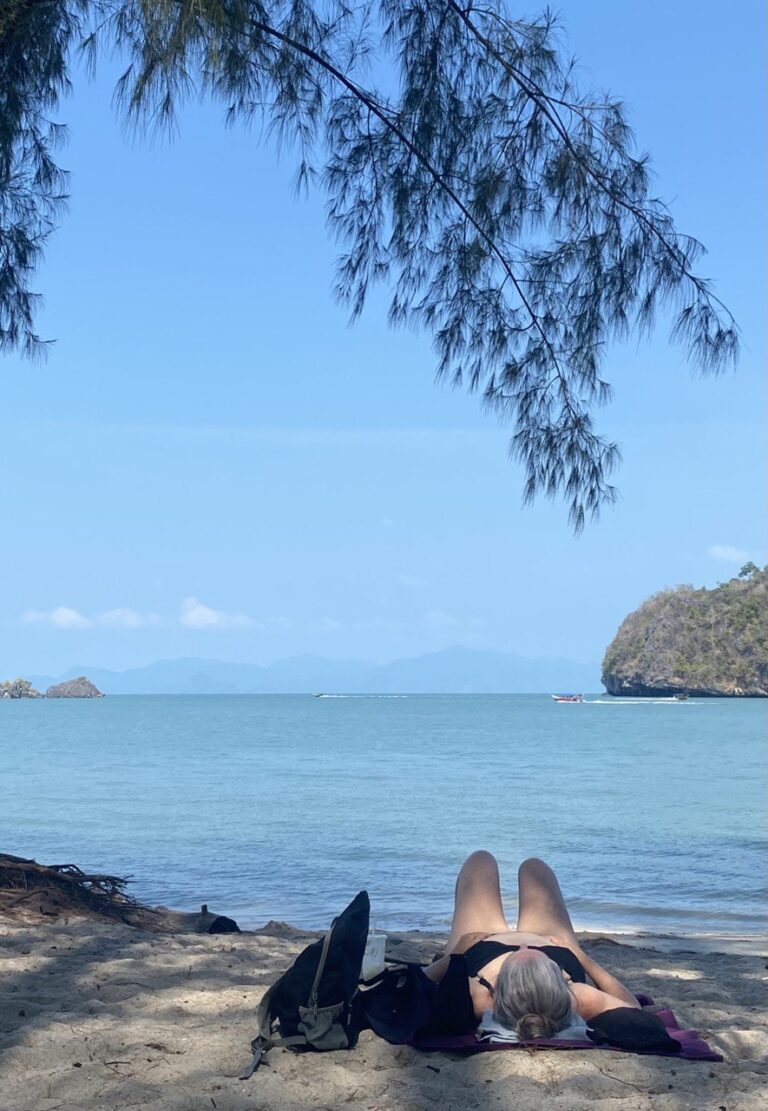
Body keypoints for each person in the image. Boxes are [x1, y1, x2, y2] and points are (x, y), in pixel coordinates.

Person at [423, 851, 640, 1040]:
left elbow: (416, 987)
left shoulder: (481, 999)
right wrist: (581, 957)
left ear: (496, 988)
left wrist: (453, 957)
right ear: (561, 981)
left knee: (480, 861)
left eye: (517, 957)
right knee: (534, 867)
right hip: (554, 943)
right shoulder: (576, 997)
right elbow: (634, 1009)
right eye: (534, 955)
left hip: (482, 947)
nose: (524, 947)